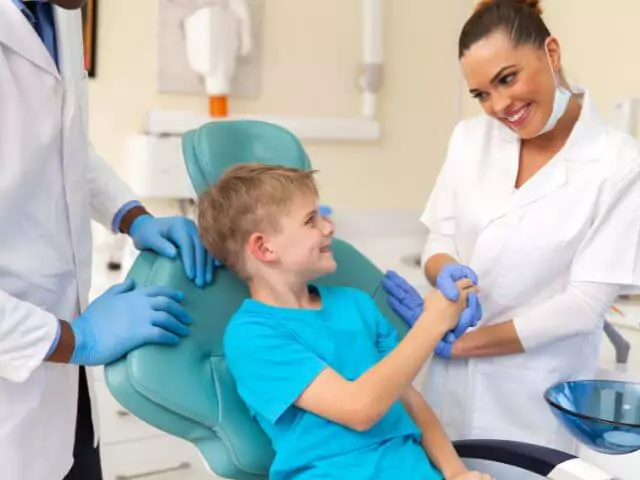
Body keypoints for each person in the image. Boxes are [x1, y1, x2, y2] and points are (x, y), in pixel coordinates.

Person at [382, 0, 640, 454]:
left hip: (532, 400)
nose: (499, 105)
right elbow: (439, 238)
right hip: (444, 393)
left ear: (552, 52)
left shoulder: (619, 163)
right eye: (481, 94)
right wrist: (446, 274)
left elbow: (584, 305)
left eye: (507, 78)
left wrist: (459, 345)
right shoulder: (469, 139)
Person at [0, 1, 217, 479]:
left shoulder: (58, 11)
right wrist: (76, 337)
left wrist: (132, 216)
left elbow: (63, 142)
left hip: (62, 400)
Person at [197, 164, 490, 480]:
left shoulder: (356, 305)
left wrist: (457, 472)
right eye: (311, 220)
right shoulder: (252, 335)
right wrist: (432, 324)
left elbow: (409, 398)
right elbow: (360, 410)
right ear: (264, 247)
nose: (328, 227)